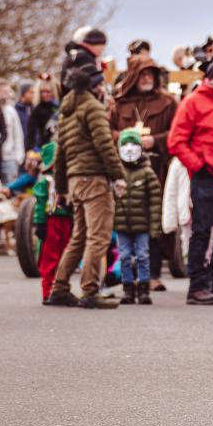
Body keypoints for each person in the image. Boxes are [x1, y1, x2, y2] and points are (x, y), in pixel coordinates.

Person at [47, 65, 127, 309]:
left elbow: (60, 153)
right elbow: (105, 145)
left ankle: (59, 288)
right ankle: (90, 290)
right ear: (95, 85)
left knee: (79, 237)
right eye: (101, 83)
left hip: (75, 180)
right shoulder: (93, 108)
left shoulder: (67, 111)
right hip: (94, 179)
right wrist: (119, 175)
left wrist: (61, 187)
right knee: (98, 236)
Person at [167, 56, 213, 304]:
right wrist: (197, 165)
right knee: (201, 231)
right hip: (205, 177)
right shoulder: (193, 102)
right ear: (210, 78)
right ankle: (197, 286)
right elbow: (176, 141)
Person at [110, 55, 178, 291]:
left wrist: (155, 140)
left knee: (154, 219)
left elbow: (177, 132)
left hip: (157, 168)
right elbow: (107, 131)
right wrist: (124, 137)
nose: (147, 78)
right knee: (126, 219)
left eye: (151, 74)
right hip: (125, 170)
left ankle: (153, 274)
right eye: (143, 74)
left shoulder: (168, 102)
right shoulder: (119, 104)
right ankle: (127, 275)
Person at [113, 129, 162, 305]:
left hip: (143, 225)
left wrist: (155, 227)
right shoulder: (116, 173)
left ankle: (143, 289)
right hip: (122, 225)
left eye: (133, 144)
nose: (129, 148)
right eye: (125, 145)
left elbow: (155, 201)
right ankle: (127, 289)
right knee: (124, 256)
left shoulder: (147, 173)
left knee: (142, 256)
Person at [30, 142, 73, 304]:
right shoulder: (45, 181)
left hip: (66, 220)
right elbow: (40, 203)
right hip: (51, 221)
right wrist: (39, 223)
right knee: (49, 257)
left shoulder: (68, 179)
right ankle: (47, 291)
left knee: (65, 254)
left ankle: (60, 288)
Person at [0, 82, 25, 184]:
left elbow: (18, 135)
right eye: (5, 92)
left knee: (10, 188)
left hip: (10, 159)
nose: (8, 95)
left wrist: (19, 157)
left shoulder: (11, 111)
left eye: (8, 92)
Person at [59, 26, 107, 90]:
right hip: (79, 95)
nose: (102, 49)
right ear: (93, 44)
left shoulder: (76, 55)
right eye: (101, 46)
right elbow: (92, 82)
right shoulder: (83, 57)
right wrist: (101, 77)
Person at [27, 77, 59, 152]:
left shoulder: (59, 107)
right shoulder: (37, 110)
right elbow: (31, 132)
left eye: (47, 91)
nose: (44, 94)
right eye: (42, 92)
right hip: (43, 148)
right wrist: (30, 149)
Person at [14, 81, 35, 145]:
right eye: (31, 92)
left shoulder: (33, 110)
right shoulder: (15, 111)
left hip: (33, 148)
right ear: (23, 94)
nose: (33, 95)